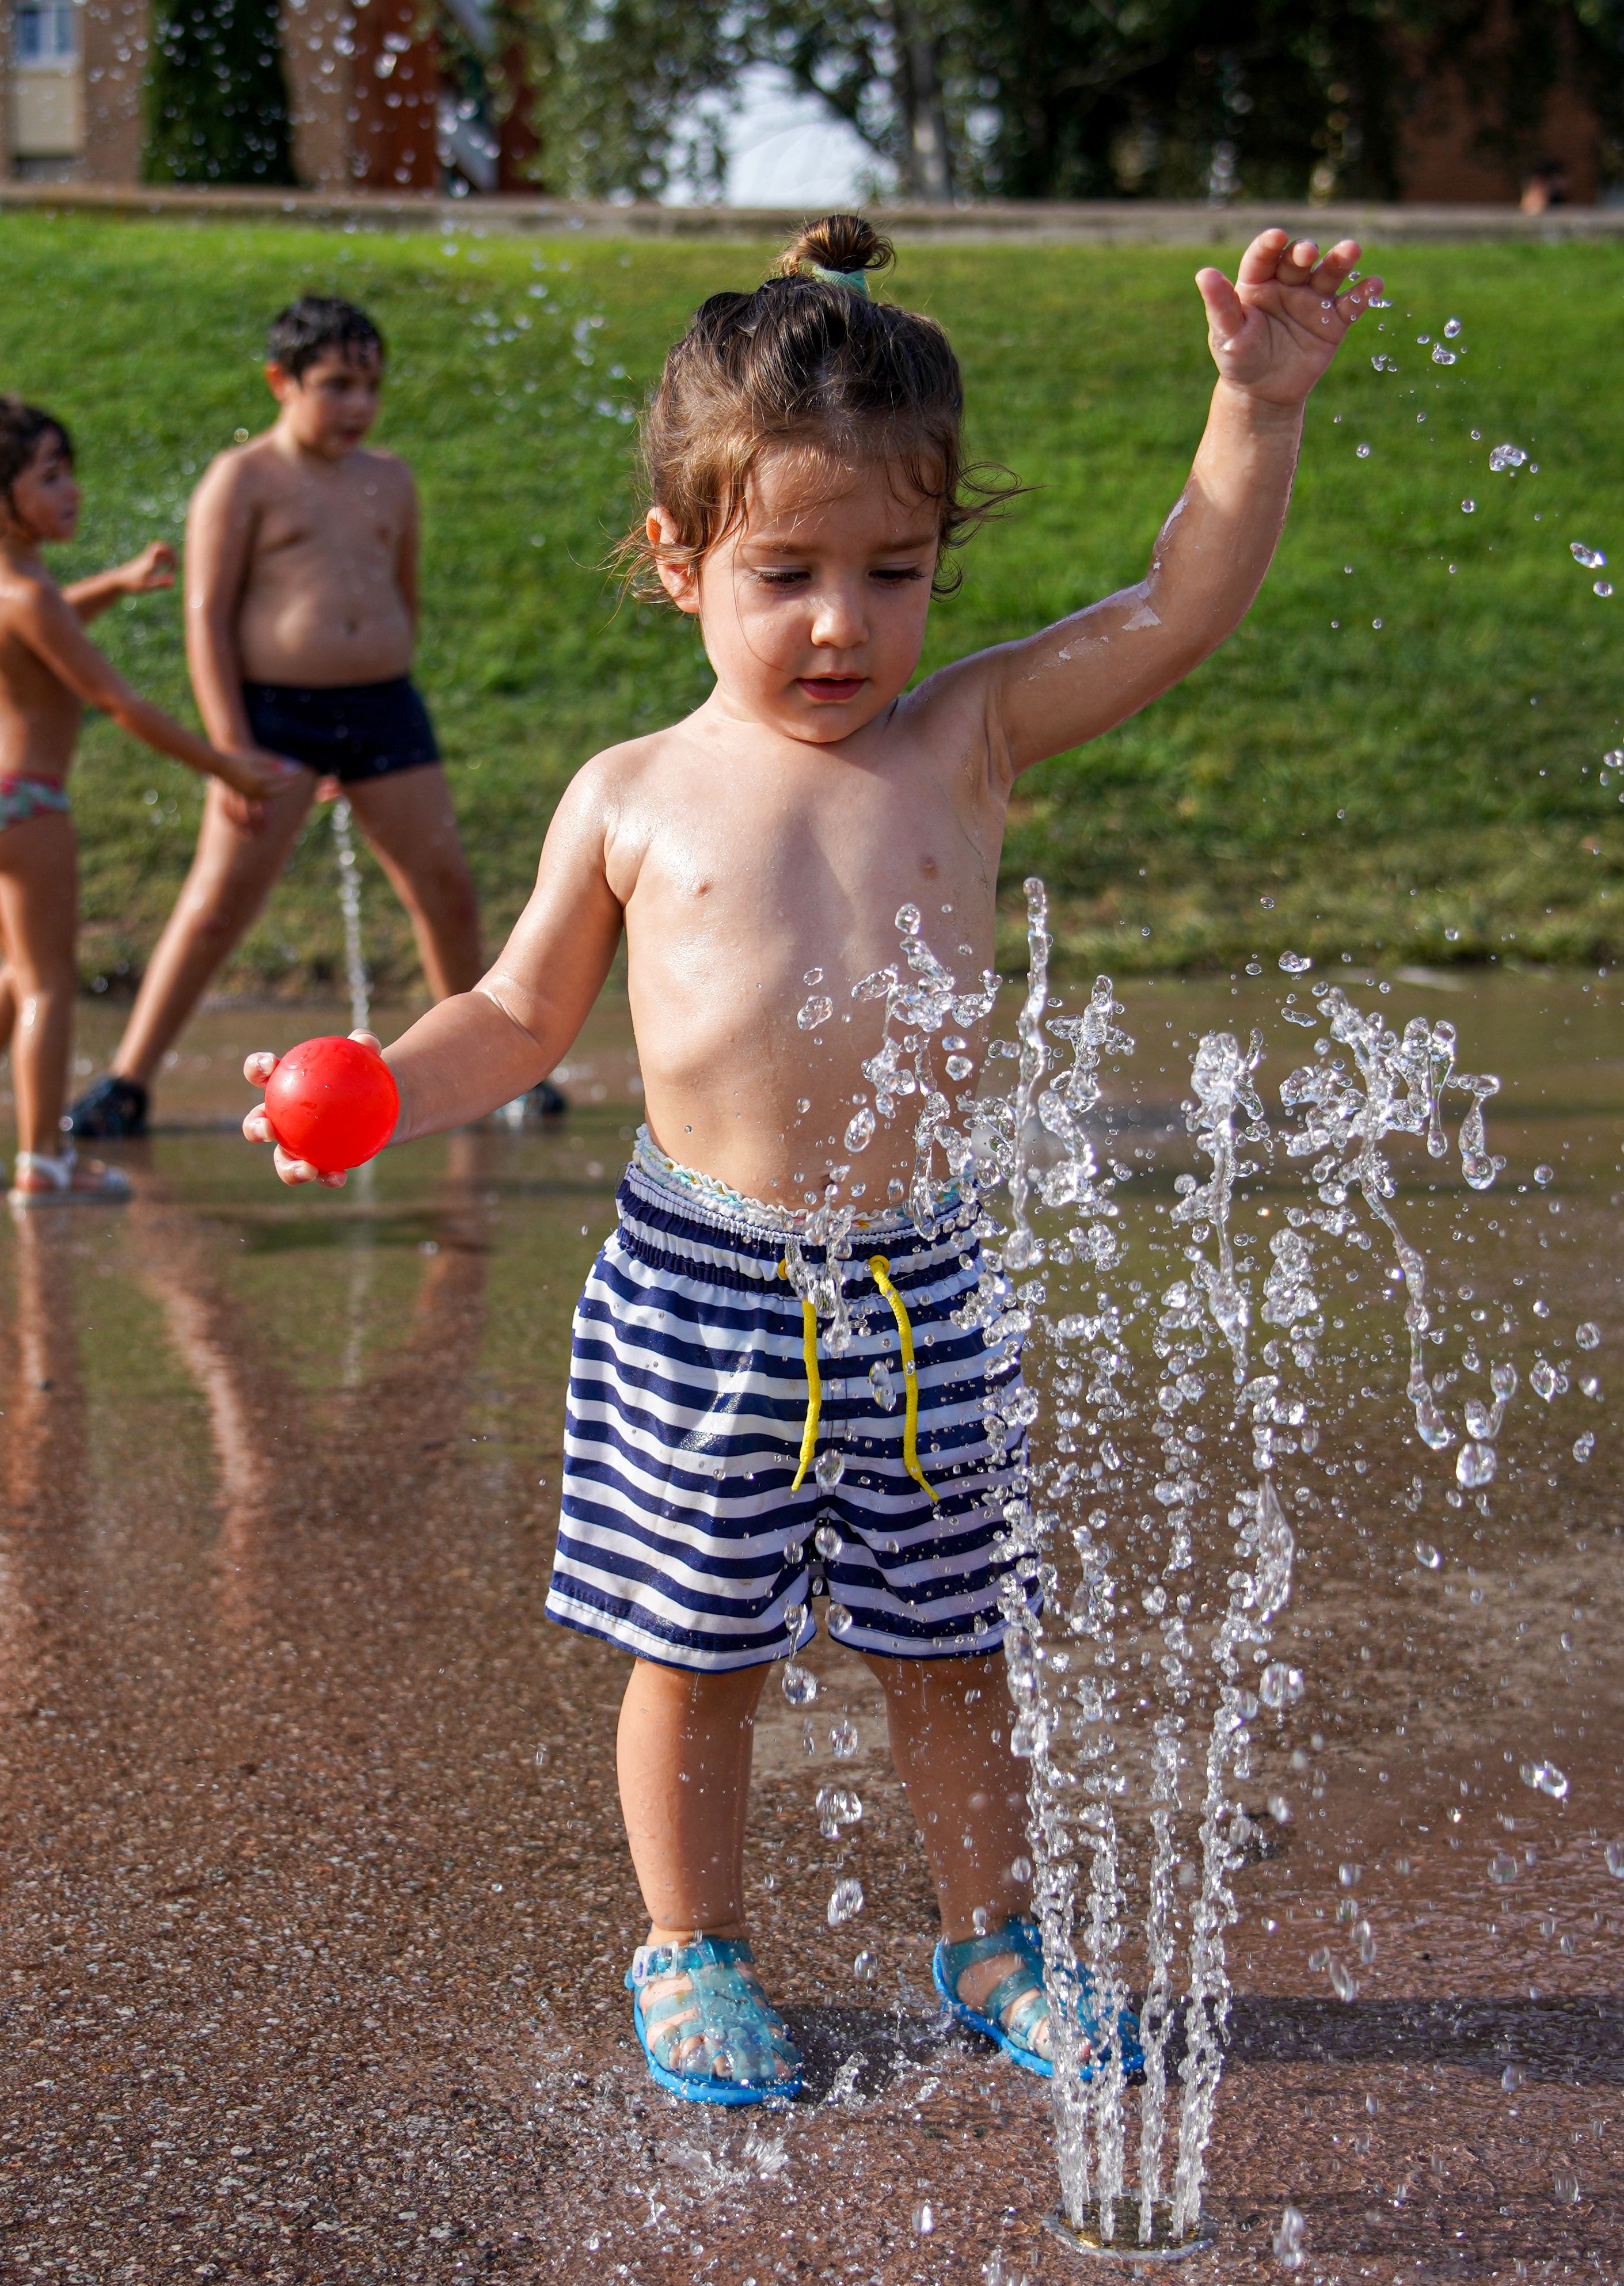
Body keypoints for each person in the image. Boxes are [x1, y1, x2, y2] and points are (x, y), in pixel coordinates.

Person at [242, 216, 1379, 2102]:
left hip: (919, 1282)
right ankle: (690, 1950)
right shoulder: (631, 794)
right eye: (785, 573)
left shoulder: (968, 740)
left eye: (892, 571)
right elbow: (518, 1020)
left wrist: (1252, 406)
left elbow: (1179, 602)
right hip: (707, 1288)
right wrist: (371, 1081)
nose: (843, 621)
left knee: (954, 1647)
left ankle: (994, 1939)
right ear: (678, 562)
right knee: (698, 1648)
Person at [67, 294, 548, 1143]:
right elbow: (207, 618)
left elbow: (401, 594)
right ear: (280, 383)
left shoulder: (389, 477)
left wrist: (374, 663)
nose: (357, 406)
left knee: (445, 890)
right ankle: (126, 1080)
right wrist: (230, 750)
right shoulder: (244, 478)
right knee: (218, 902)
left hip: (383, 710)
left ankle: (487, 1073)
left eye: (370, 386)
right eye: (335, 386)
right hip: (273, 718)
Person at [0, 397, 291, 1205]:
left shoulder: (15, 591)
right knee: (46, 985)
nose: (73, 493)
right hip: (29, 806)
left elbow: (47, 623)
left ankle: (38, 1154)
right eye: (49, 478)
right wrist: (224, 766)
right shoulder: (30, 595)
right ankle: (44, 1160)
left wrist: (119, 584)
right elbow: (123, 705)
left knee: (9, 978)